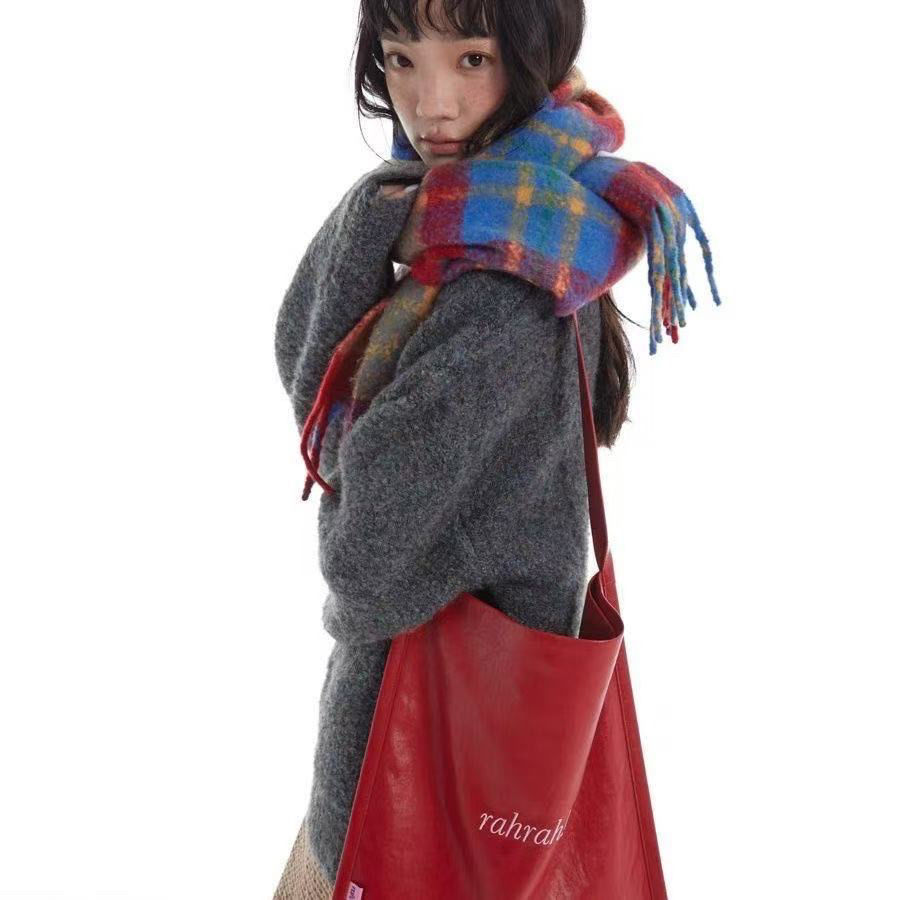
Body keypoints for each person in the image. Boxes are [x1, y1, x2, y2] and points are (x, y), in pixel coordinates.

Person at [270, 0, 720, 895]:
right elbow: (303, 355)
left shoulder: (496, 294)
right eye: (402, 58)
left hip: (409, 780)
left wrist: (376, 226)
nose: (429, 103)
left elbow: (361, 566)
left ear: (533, 57)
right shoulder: (531, 224)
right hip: (458, 760)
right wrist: (383, 219)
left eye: (471, 59)